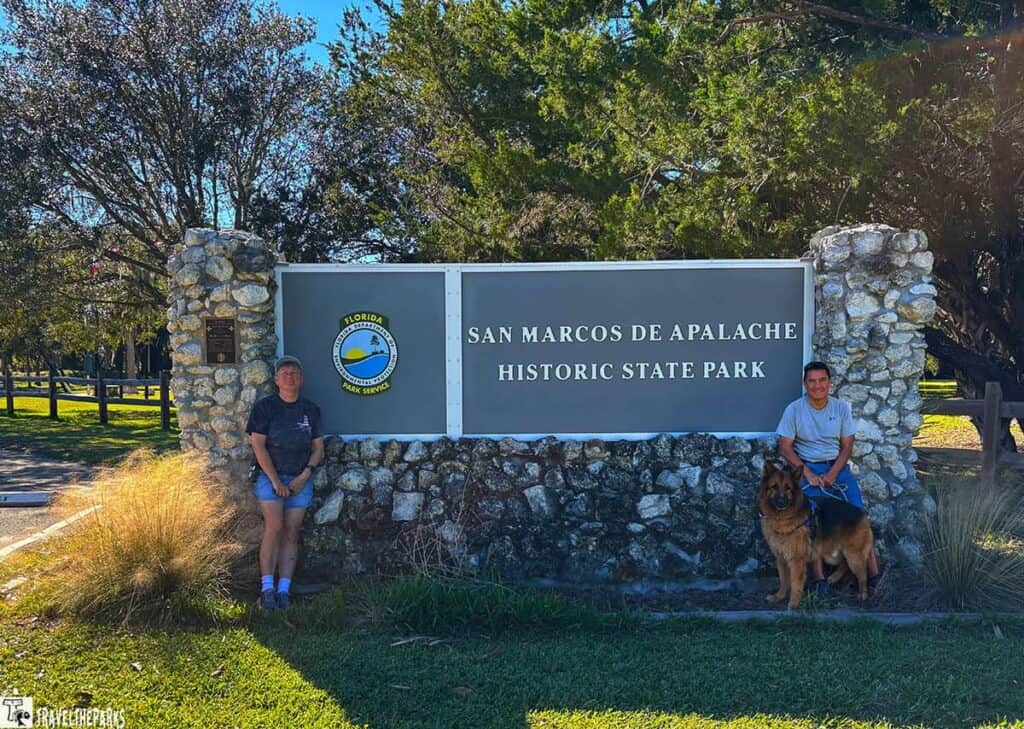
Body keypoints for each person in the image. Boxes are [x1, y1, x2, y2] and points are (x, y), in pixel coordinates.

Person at [776, 360, 881, 595]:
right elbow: (784, 447)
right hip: (806, 469)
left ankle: (874, 576)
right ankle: (819, 580)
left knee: (859, 520)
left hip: (837, 469)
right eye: (812, 381)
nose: (817, 386)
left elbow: (847, 445)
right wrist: (810, 475)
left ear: (829, 383)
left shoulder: (841, 408)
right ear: (805, 384)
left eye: (822, 380)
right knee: (810, 523)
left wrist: (833, 473)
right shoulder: (794, 410)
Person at [246, 355, 324, 610]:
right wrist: (275, 480)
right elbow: (258, 445)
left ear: (300, 379)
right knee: (275, 527)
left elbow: (318, 449)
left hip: (300, 479)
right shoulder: (265, 408)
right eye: (284, 373)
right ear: (277, 380)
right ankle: (267, 588)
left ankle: (284, 590)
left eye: (294, 373)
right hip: (271, 478)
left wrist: (304, 476)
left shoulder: (311, 410)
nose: (289, 377)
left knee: (291, 532)